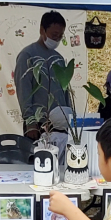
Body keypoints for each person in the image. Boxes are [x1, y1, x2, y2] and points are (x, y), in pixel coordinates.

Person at [15, 11, 71, 139]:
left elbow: (65, 93)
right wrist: (30, 122)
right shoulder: (27, 56)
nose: (56, 39)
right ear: (42, 30)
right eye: (54, 35)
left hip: (61, 124)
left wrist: (69, 118)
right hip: (39, 124)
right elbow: (24, 90)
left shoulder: (59, 59)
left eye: (60, 36)